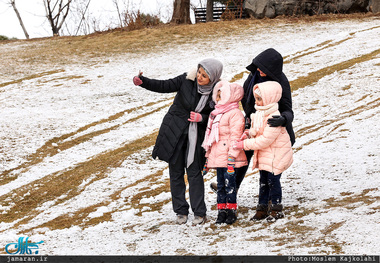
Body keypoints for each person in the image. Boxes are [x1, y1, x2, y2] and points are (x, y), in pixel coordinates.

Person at [132, 58, 223, 225]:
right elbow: (164, 86)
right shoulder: (186, 80)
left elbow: (218, 115)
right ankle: (180, 211)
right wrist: (143, 82)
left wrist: (201, 118)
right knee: (175, 173)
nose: (200, 76)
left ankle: (199, 213)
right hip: (174, 132)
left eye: (205, 75)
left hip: (196, 138)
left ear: (214, 78)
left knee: (194, 173)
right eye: (199, 72)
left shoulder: (216, 92)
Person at [210, 48, 295, 194]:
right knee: (242, 151)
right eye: (259, 66)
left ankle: (271, 198)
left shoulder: (281, 81)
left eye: (264, 68)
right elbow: (244, 96)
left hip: (272, 127)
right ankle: (232, 185)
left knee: (270, 164)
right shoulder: (253, 75)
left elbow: (288, 109)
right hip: (253, 123)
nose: (260, 70)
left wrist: (283, 119)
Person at [233, 81, 293, 222]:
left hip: (275, 156)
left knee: (273, 182)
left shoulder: (273, 117)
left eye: (260, 99)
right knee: (263, 182)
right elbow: (257, 132)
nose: (257, 102)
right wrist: (248, 133)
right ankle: (262, 208)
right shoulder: (259, 114)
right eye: (256, 99)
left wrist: (244, 144)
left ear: (269, 99)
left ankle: (276, 208)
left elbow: (265, 139)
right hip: (265, 155)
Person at [202, 80, 247, 224]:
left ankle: (231, 211)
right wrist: (208, 158)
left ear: (231, 96)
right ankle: (221, 211)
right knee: (220, 185)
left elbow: (235, 136)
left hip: (229, 157)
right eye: (218, 95)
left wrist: (232, 156)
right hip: (218, 155)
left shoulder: (235, 114)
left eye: (222, 96)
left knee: (230, 184)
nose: (218, 99)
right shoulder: (215, 114)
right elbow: (211, 139)